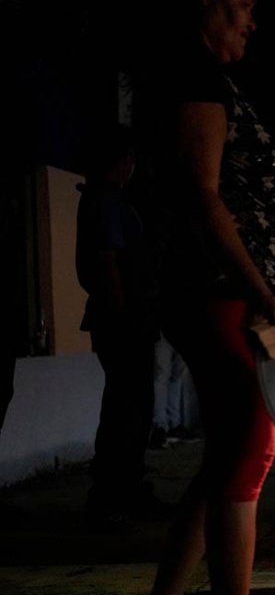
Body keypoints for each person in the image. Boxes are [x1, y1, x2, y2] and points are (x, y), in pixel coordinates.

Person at [125, 0, 275, 595]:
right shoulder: (192, 77)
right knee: (252, 443)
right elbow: (201, 193)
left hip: (225, 287)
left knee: (230, 452)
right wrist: (259, 285)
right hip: (215, 288)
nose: (255, 16)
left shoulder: (206, 77)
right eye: (246, 1)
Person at [75, 126, 162, 532]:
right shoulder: (107, 200)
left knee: (130, 405)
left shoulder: (103, 199)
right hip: (123, 319)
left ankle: (124, 488)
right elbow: (109, 261)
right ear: (122, 161)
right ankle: (112, 493)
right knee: (126, 407)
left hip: (122, 317)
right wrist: (126, 311)